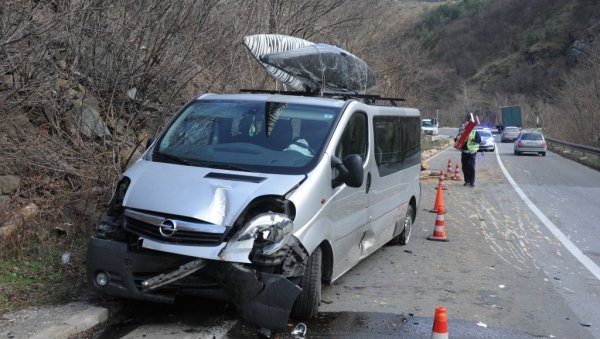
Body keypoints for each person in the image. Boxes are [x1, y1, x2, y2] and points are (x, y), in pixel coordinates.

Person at [461, 123, 481, 187]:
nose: (466, 128)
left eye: (467, 127)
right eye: (465, 127)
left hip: (472, 152)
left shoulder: (475, 133)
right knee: (464, 167)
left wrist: (471, 139)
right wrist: (458, 138)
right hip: (464, 152)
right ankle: (466, 181)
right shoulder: (462, 133)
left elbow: (478, 140)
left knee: (471, 167)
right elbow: (456, 141)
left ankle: (472, 182)